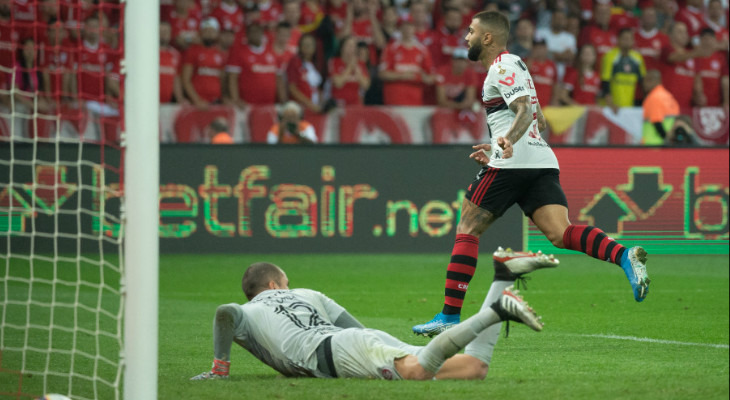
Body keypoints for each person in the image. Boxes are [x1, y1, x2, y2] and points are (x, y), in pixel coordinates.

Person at [412, 11, 650, 337]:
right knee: (560, 232)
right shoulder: (518, 67)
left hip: (515, 162)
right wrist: (499, 147)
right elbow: (540, 120)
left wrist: (506, 143)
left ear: (487, 38)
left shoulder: (501, 66)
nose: (465, 37)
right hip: (540, 161)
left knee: (467, 225)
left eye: (470, 32)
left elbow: (524, 110)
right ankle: (624, 256)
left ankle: (449, 318)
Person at [191, 259, 546, 381]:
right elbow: (356, 329)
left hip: (337, 352)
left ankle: (497, 310)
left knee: (418, 372)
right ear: (272, 285)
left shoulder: (250, 312)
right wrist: (376, 347)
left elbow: (226, 312)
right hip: (353, 341)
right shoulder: (309, 293)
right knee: (472, 369)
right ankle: (503, 277)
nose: (288, 288)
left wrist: (220, 367)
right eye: (284, 282)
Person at [181, 17, 226, 107]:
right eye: (206, 31)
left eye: (212, 31)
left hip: (216, 103)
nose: (209, 34)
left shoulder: (221, 53)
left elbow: (222, 80)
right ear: (201, 32)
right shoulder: (193, 51)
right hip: (197, 104)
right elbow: (185, 79)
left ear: (217, 34)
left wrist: (224, 98)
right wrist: (196, 100)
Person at [600, 28, 646, 110]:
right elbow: (605, 81)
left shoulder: (637, 58)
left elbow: (643, 81)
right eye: (624, 38)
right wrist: (610, 103)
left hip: (631, 106)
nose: (627, 41)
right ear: (618, 40)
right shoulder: (610, 56)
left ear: (633, 41)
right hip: (613, 107)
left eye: (629, 39)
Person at [641, 69, 681, 145]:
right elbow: (677, 119)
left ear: (655, 81)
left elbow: (656, 121)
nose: (644, 84)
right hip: (667, 144)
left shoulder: (653, 97)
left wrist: (666, 139)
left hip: (653, 143)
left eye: (647, 81)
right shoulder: (669, 96)